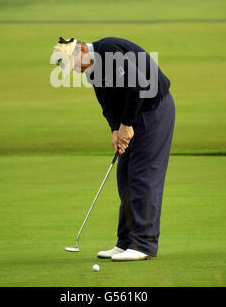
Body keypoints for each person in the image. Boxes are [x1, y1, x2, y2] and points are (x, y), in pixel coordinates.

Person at [51, 36, 175, 262]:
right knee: (125, 176)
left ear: (81, 51)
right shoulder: (92, 71)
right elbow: (107, 104)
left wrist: (126, 125)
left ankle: (144, 244)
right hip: (133, 116)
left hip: (154, 111)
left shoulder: (109, 50)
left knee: (141, 176)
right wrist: (115, 130)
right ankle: (126, 242)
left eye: (74, 64)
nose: (76, 71)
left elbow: (138, 88)